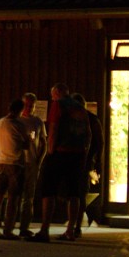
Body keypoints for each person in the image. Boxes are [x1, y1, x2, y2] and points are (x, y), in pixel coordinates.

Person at [32, 83, 90, 242]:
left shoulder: (58, 105)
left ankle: (45, 229)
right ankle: (71, 229)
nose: (52, 98)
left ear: (57, 93)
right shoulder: (80, 108)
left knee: (48, 190)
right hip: (77, 154)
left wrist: (50, 150)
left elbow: (54, 128)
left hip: (60, 151)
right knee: (74, 192)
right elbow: (88, 133)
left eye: (53, 95)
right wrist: (83, 153)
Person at [0, 98, 29, 239]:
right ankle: (8, 229)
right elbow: (26, 144)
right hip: (15, 164)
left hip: (1, 162)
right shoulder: (19, 124)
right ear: (21, 110)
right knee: (13, 199)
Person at [72, 93, 104, 237]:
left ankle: (76, 225)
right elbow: (100, 142)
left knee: (77, 194)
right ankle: (76, 225)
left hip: (82, 160)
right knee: (79, 194)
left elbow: (99, 141)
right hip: (84, 160)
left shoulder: (88, 119)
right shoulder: (91, 119)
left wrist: (97, 161)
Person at [17, 92, 46, 239]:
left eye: (31, 106)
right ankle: (9, 226)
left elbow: (44, 143)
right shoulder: (17, 121)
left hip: (32, 162)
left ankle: (24, 227)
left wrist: (39, 161)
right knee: (14, 195)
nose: (29, 108)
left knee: (29, 197)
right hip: (17, 163)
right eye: (26, 105)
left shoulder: (38, 122)